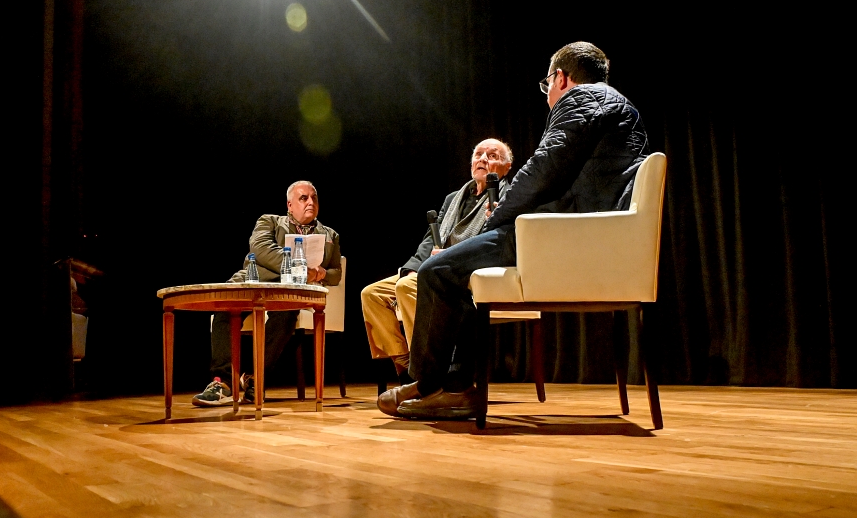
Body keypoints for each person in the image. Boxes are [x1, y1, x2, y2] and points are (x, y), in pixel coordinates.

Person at [378, 41, 651, 419]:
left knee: (437, 271)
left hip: (560, 235)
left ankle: (430, 385)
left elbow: (542, 169)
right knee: (463, 270)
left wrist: (497, 219)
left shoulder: (581, 100)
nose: (548, 96)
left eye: (548, 86)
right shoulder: (624, 109)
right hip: (594, 236)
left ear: (560, 78)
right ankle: (455, 386)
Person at [361, 139, 513, 385]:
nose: (483, 159)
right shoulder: (454, 197)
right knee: (373, 294)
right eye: (479, 154)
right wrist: (411, 269)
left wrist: (494, 218)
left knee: (407, 288)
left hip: (465, 271)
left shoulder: (509, 196)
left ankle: (427, 372)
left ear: (506, 168)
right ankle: (406, 365)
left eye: (493, 156)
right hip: (434, 265)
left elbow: (499, 243)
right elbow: (431, 239)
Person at [193, 181, 342, 406]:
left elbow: (336, 273)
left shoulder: (330, 235)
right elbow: (260, 249)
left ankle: (255, 379)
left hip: (287, 292)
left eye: (314, 198)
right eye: (304, 198)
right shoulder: (269, 221)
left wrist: (321, 274)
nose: (310, 202)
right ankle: (222, 382)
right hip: (254, 282)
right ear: (290, 205)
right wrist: (299, 266)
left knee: (287, 316)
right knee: (224, 308)